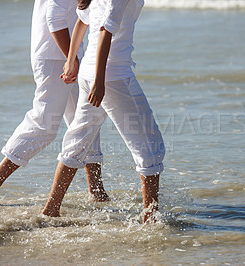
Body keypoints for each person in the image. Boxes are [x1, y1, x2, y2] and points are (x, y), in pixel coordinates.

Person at [0, 0, 109, 206]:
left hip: (69, 54)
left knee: (86, 119)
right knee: (44, 124)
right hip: (54, 56)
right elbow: (53, 16)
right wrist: (71, 60)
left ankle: (97, 191)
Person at [42, 0, 165, 223]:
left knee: (76, 142)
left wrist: (71, 61)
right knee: (150, 147)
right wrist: (100, 81)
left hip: (89, 74)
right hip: (112, 77)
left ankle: (51, 208)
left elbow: (82, 21)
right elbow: (104, 31)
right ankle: (151, 218)